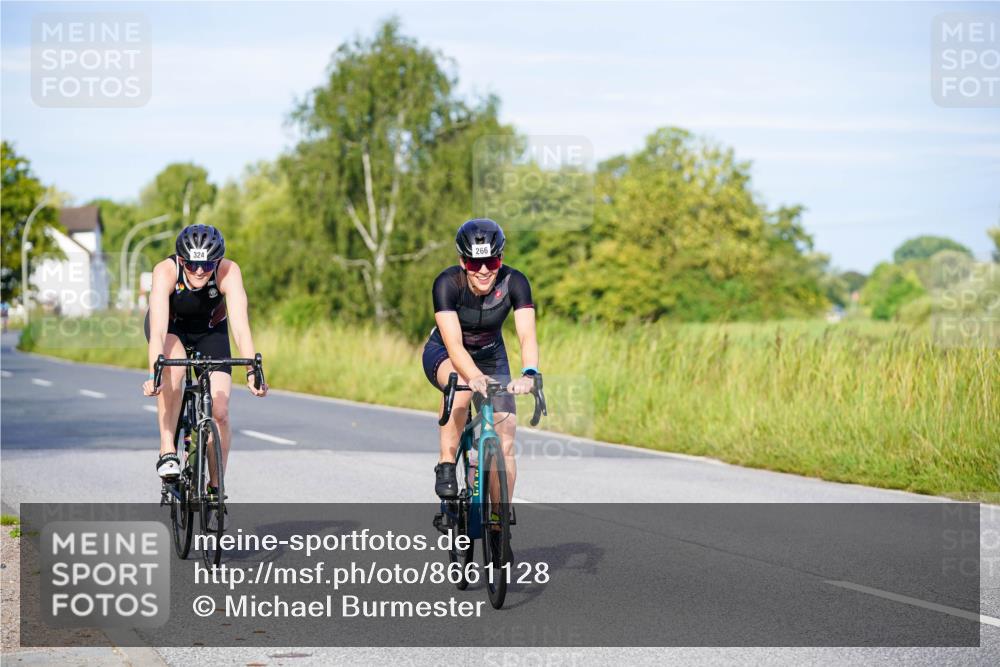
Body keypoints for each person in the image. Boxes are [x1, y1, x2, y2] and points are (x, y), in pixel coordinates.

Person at [141, 224, 267, 496]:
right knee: (172, 370)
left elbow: (241, 328)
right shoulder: (165, 271)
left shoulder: (229, 271)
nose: (199, 270)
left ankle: (216, 487)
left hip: (210, 331)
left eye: (207, 264)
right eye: (192, 264)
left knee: (220, 412)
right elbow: (159, 331)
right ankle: (167, 450)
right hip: (171, 328)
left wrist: (251, 370)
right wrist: (155, 374)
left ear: (217, 260)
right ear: (181, 259)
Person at [422, 218, 539, 500]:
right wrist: (473, 376)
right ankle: (447, 463)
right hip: (446, 354)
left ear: (501, 258)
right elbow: (454, 344)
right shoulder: (447, 284)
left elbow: (527, 335)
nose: (484, 270)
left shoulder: (516, 281)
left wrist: (530, 373)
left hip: (491, 355)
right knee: (461, 383)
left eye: (492, 262)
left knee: (506, 433)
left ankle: (499, 524)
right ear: (463, 261)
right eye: (475, 264)